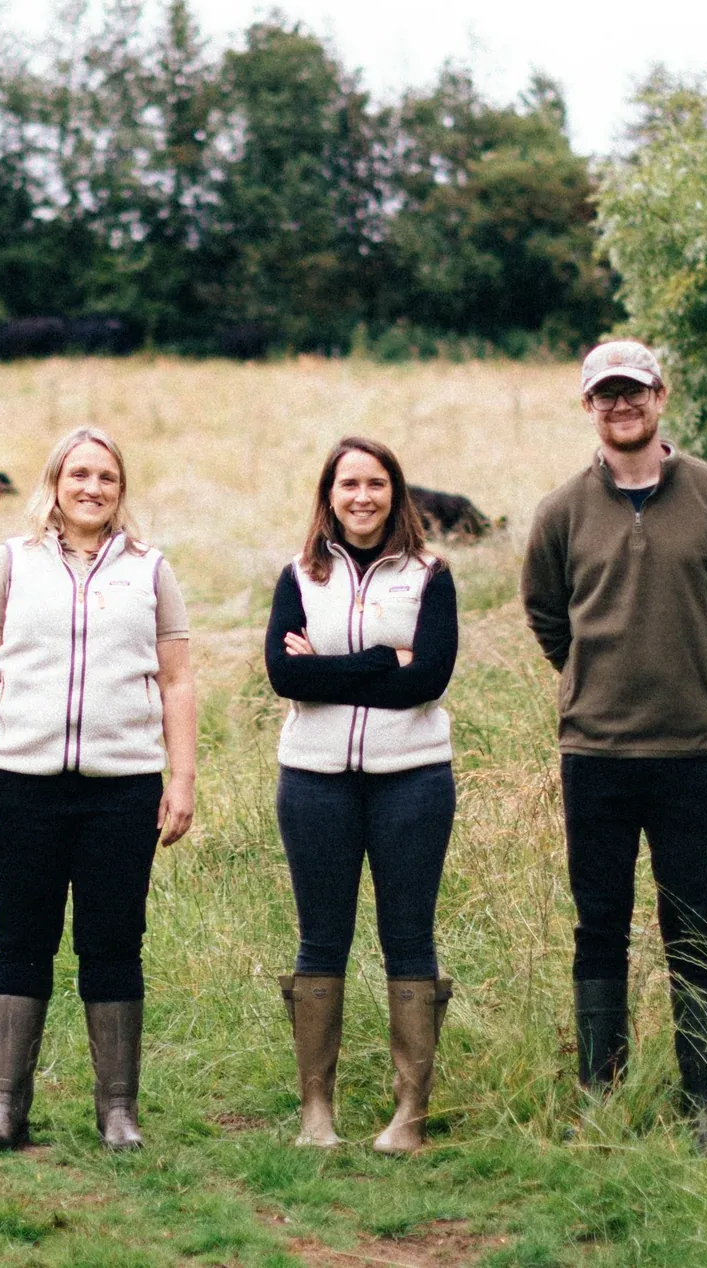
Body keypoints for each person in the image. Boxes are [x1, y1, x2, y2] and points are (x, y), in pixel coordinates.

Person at [521, 340, 707, 1154]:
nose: (621, 406)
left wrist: (704, 690)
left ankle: (705, 1102)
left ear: (662, 396)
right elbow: (546, 616)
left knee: (691, 926)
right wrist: (595, 683)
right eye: (606, 395)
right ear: (587, 407)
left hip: (689, 755)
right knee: (599, 924)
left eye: (635, 392)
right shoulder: (562, 510)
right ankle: (603, 1092)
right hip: (593, 754)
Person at [0, 425, 197, 1154]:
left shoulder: (151, 571)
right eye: (79, 474)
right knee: (21, 937)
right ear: (54, 483)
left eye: (108, 479)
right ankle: (5, 1109)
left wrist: (180, 779)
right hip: (20, 784)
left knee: (113, 940)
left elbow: (178, 680)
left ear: (122, 492)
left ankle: (117, 1111)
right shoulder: (10, 564)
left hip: (122, 790)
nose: (93, 488)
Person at [264, 437, 459, 1153]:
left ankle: (410, 1115)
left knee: (408, 937)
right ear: (329, 493)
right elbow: (286, 678)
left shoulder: (431, 575)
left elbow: (428, 679)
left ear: (395, 492)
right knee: (321, 938)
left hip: (414, 778)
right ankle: (317, 1111)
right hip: (313, 781)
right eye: (349, 484)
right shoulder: (298, 575)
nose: (362, 497)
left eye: (376, 483)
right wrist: (383, 660)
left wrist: (333, 671)